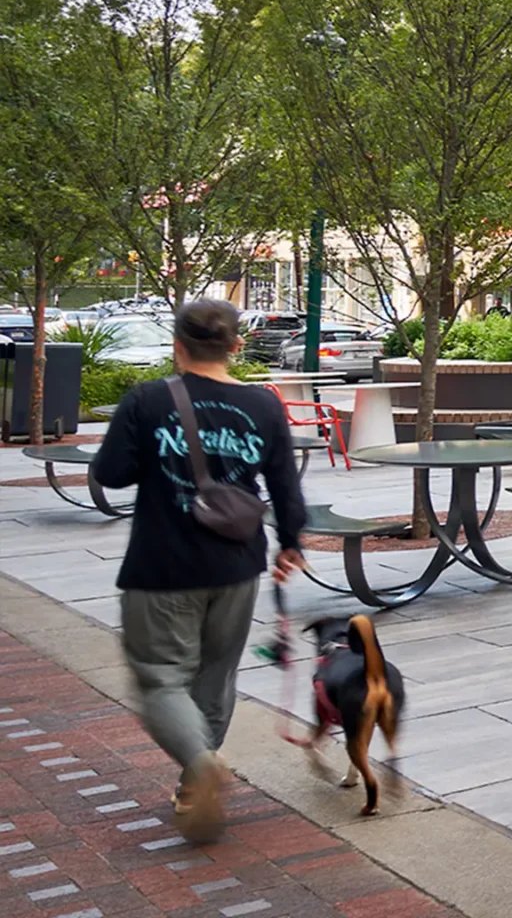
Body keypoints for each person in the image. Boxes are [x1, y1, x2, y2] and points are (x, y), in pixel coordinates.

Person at [94, 298, 307, 846]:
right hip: (236, 565)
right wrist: (291, 543)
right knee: (216, 678)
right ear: (236, 345)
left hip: (161, 564)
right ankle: (197, 779)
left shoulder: (147, 399)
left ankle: (200, 764)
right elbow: (285, 483)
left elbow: (111, 474)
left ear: (177, 345)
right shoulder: (264, 404)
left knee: (162, 677)